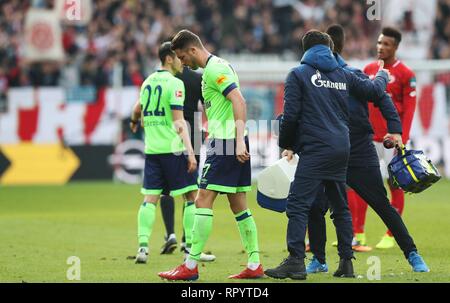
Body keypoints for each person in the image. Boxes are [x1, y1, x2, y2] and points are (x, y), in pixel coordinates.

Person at [264, 30, 390, 280]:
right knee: (340, 206)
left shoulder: (298, 74)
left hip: (316, 148)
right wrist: (383, 76)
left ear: (306, 50)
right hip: (342, 147)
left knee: (298, 204)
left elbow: (290, 117)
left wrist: (287, 144)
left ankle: (296, 261)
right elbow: (374, 92)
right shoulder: (343, 74)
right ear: (329, 48)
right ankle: (346, 262)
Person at [306, 24, 429, 274]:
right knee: (316, 204)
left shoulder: (350, 75)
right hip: (334, 150)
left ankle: (412, 253)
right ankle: (319, 259)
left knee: (379, 202)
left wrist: (396, 130)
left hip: (358, 149)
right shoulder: (314, 77)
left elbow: (382, 97)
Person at [158, 29, 264, 281]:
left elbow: (239, 100)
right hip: (225, 139)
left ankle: (190, 267)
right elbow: (224, 106)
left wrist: (238, 141)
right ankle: (254, 263)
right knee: (239, 204)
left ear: (192, 50)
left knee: (202, 198)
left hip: (228, 143)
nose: (182, 62)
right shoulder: (212, 71)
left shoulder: (216, 69)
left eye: (183, 57)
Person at [350, 27, 418, 250]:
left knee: (394, 184)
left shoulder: (406, 74)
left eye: (386, 44)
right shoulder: (368, 69)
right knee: (362, 184)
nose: (381, 47)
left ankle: (391, 234)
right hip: (368, 139)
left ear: (395, 47)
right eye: (379, 43)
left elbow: (409, 109)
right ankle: (357, 233)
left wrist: (402, 139)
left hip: (391, 140)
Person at [130, 42, 198, 264]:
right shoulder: (175, 84)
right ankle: (189, 248)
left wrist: (133, 122)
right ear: (169, 58)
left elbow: (137, 109)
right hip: (173, 149)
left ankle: (142, 248)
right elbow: (179, 122)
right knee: (191, 195)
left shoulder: (147, 82)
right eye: (178, 57)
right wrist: (190, 152)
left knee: (150, 198)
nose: (181, 61)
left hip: (152, 150)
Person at [159, 65, 216, 262]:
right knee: (191, 188)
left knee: (166, 189)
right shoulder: (196, 78)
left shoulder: (166, 79)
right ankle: (186, 240)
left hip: (170, 134)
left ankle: (170, 234)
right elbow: (206, 106)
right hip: (193, 132)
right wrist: (208, 129)